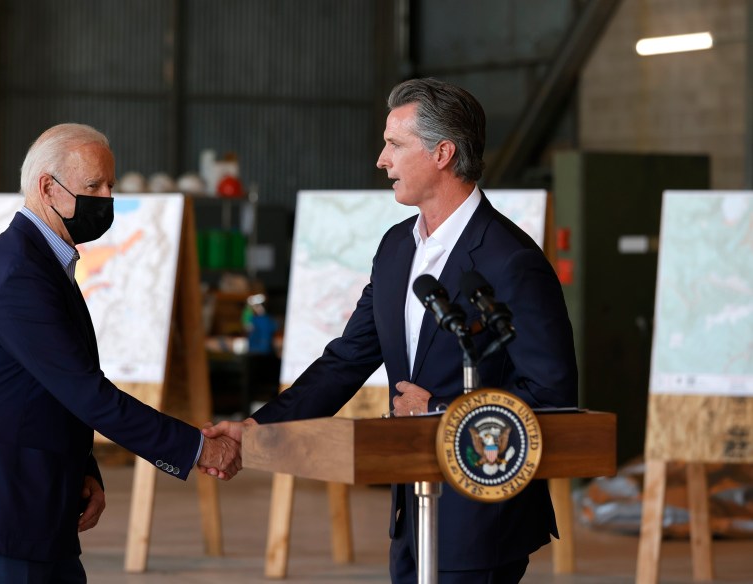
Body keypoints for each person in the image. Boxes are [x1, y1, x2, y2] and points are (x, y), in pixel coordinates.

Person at [202, 78, 578, 583]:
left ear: (443, 152)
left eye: (395, 145)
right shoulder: (397, 246)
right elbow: (347, 358)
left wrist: (440, 411)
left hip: (482, 516)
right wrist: (257, 431)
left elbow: (553, 394)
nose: (382, 159)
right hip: (411, 507)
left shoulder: (511, 260)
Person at [0, 123, 241, 583]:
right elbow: (86, 391)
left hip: (38, 511)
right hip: (0, 520)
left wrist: (85, 469)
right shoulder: (20, 272)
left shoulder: (43, 262)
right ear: (47, 188)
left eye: (110, 185)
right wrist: (197, 448)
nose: (106, 198)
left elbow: (50, 389)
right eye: (93, 186)